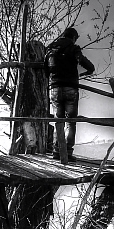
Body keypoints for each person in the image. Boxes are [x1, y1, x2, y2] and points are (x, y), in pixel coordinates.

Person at [45, 27, 95, 162]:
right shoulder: (74, 48)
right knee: (71, 122)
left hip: (54, 88)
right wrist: (89, 70)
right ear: (73, 37)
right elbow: (85, 63)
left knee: (58, 121)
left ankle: (57, 151)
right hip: (71, 89)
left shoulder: (50, 48)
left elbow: (45, 68)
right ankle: (67, 152)